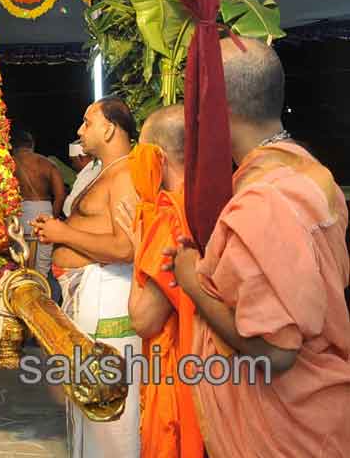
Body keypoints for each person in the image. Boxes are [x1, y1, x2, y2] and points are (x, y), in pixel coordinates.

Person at [167, 37, 350, 458]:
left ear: (215, 110)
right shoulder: (307, 170)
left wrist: (193, 282)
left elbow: (275, 352)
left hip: (287, 429)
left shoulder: (265, 200)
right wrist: (206, 266)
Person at [32, 96, 140, 458]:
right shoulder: (101, 171)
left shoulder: (125, 173)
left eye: (87, 122)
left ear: (109, 128)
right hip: (88, 297)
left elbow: (126, 248)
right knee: (85, 395)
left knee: (107, 405)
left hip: (110, 297)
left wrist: (63, 236)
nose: (80, 131)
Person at [117, 105, 203, 458]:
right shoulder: (208, 201)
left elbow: (144, 319)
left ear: (158, 157)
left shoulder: (168, 217)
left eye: (140, 150)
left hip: (179, 373)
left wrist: (139, 249)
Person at [12, 129, 66, 275]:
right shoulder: (48, 164)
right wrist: (51, 218)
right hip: (44, 210)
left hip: (18, 212)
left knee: (19, 259)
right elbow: (60, 195)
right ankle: (42, 292)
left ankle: (21, 291)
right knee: (43, 262)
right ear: (32, 144)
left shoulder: (8, 163)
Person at [63, 140, 102, 218]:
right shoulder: (100, 168)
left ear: (80, 157)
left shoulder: (88, 174)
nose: (72, 165)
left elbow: (68, 208)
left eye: (72, 161)